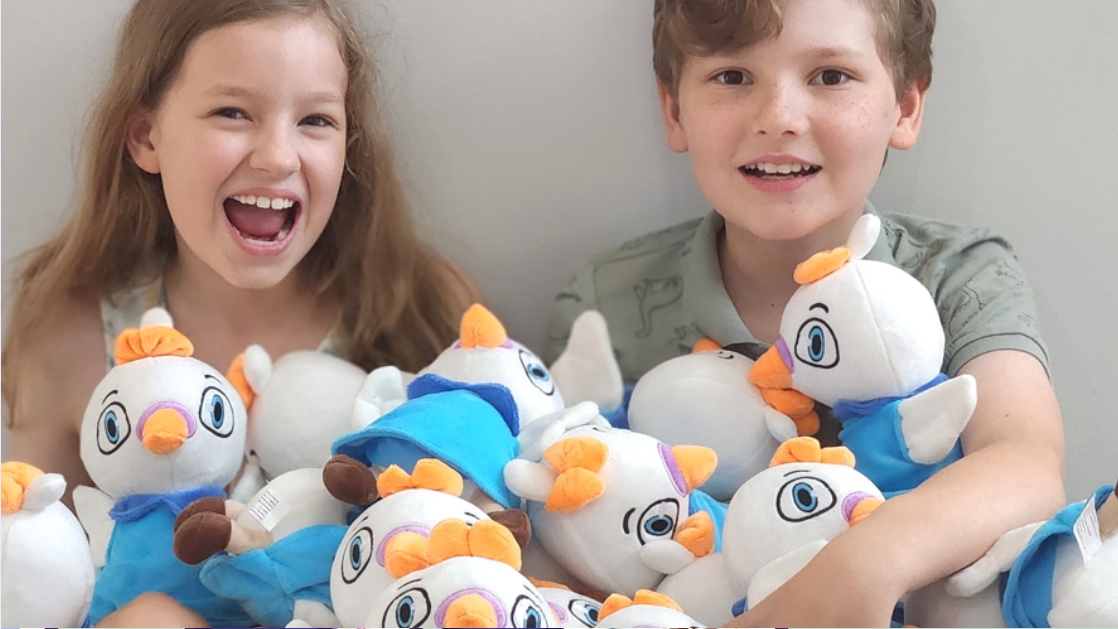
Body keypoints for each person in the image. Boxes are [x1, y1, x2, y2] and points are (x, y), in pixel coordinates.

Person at [544, 0, 1065, 625]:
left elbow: (1025, 465)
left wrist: (861, 566)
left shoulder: (958, 274)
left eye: (831, 76)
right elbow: (569, 531)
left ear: (905, 107)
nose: (779, 118)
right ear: (674, 110)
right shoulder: (607, 300)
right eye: (733, 76)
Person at [2, 0, 475, 624]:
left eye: (315, 120)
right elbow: (27, 585)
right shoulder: (73, 339)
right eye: (232, 113)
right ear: (147, 136)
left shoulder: (426, 307)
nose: (279, 157)